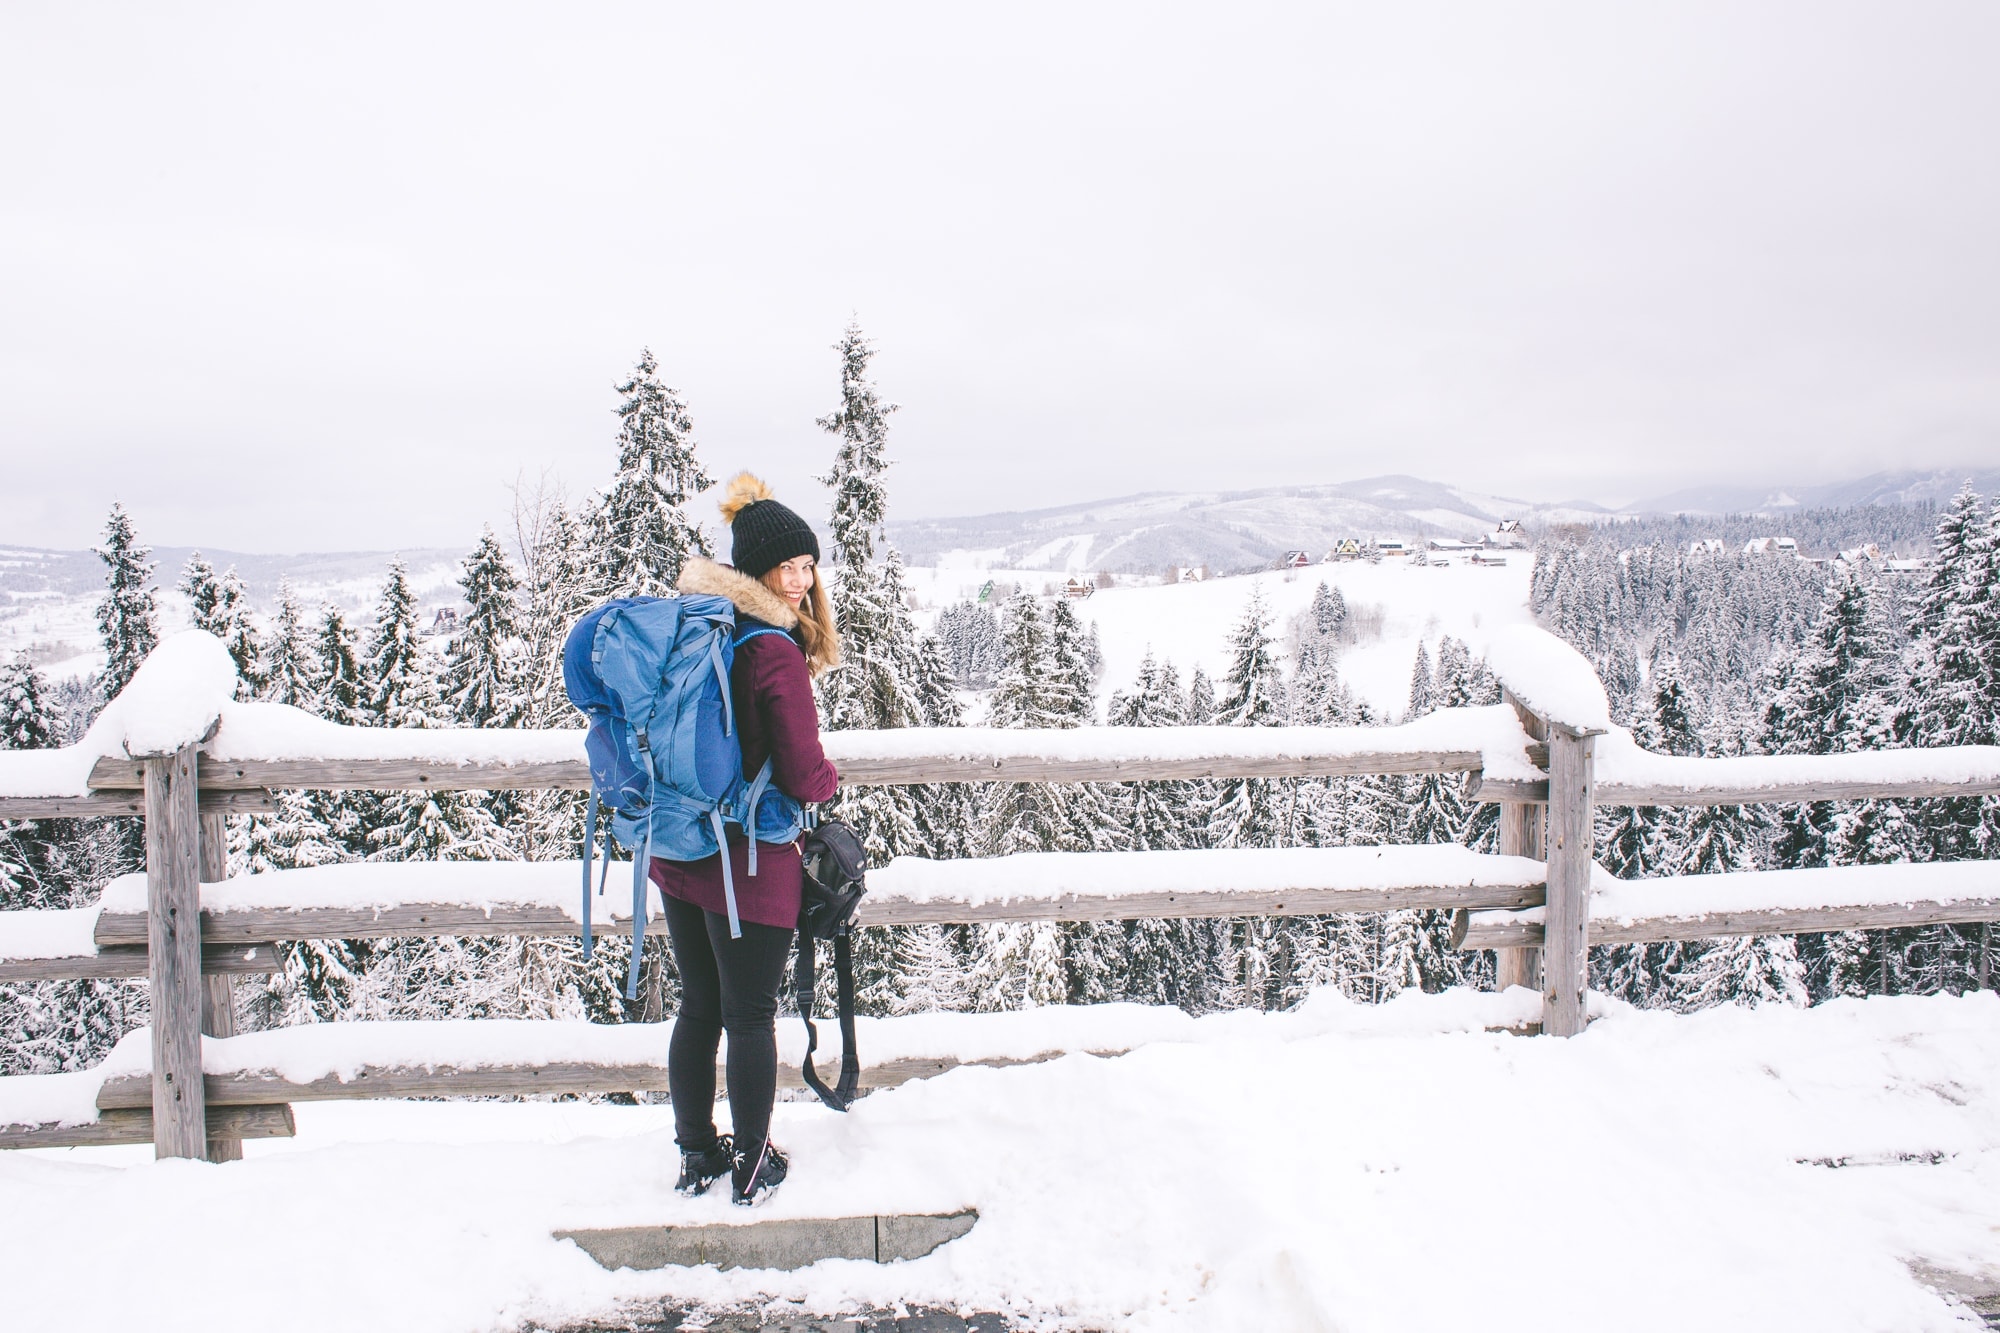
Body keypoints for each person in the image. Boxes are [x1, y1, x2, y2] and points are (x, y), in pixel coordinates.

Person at [654, 473, 841, 1206]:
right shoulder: (776, 652)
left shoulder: (709, 625)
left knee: (699, 1007)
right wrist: (830, 779)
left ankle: (699, 1153)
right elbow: (802, 771)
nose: (799, 580)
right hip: (751, 864)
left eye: (807, 565)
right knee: (750, 1014)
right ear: (755, 569)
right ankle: (754, 1165)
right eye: (786, 566)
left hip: (682, 848)